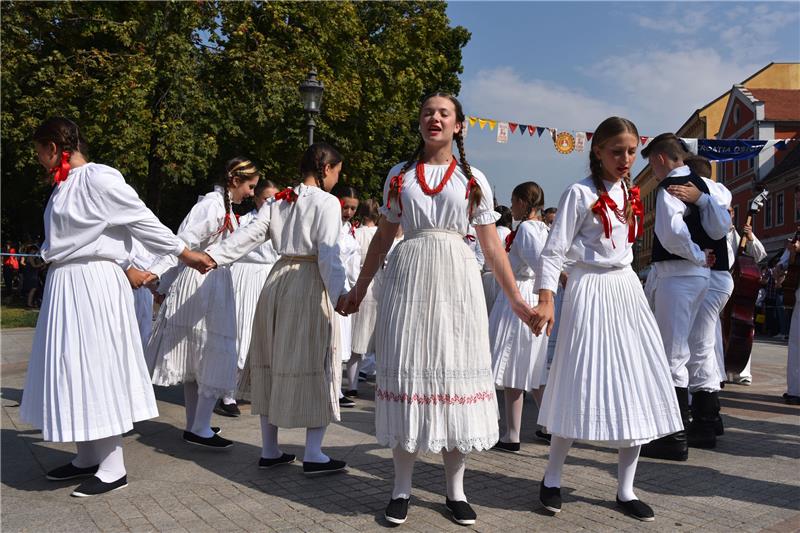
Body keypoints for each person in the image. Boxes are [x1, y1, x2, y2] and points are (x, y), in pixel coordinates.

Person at [338, 93, 534, 526]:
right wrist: (359, 288)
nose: (435, 118)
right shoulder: (400, 176)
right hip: (409, 278)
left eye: (444, 113)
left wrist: (518, 300)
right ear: (419, 122)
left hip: (457, 281)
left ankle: (455, 490)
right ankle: (401, 488)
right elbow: (382, 239)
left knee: (453, 373)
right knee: (409, 371)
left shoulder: (472, 177)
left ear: (459, 125)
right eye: (428, 112)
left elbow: (493, 247)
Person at [20, 117, 211, 497]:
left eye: (40, 150)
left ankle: (113, 465)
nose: (38, 158)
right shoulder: (63, 186)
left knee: (96, 365)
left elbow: (143, 220)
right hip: (67, 283)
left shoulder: (99, 177)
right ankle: (87, 455)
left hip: (93, 284)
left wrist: (184, 253)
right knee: (70, 366)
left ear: (54, 147)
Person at [531, 117, 682, 522]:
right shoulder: (578, 193)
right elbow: (553, 250)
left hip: (626, 288)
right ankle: (551, 478)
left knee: (637, 380)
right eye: (617, 151)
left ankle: (626, 488)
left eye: (632, 151)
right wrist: (546, 298)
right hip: (588, 288)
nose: (626, 159)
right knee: (577, 379)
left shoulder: (631, 192)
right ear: (597, 150)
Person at [203, 142, 349, 475]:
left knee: (271, 357)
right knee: (318, 359)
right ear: (326, 169)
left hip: (277, 279)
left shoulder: (278, 200)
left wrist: (215, 257)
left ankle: (270, 449)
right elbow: (328, 253)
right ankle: (313, 453)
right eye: (338, 172)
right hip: (310, 282)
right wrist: (340, 295)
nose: (338, 180)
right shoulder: (327, 203)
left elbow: (249, 235)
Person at [146, 158, 259, 449]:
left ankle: (198, 424)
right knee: (212, 352)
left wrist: (163, 281)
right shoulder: (211, 207)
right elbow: (181, 243)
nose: (250, 193)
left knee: (201, 355)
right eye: (249, 186)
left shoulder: (224, 207)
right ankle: (198, 426)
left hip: (211, 283)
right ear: (235, 180)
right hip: (203, 283)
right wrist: (159, 276)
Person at [641, 134, 731, 456]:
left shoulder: (671, 187)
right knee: (691, 349)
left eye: (652, 164)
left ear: (662, 158)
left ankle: (672, 436)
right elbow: (722, 228)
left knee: (673, 354)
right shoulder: (706, 186)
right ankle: (695, 425)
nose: (653, 172)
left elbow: (670, 233)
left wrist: (694, 253)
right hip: (699, 277)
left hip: (679, 275)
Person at [489, 181, 549, 454]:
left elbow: (539, 263)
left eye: (514, 202)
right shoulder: (542, 227)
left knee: (515, 365)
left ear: (523, 203)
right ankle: (550, 425)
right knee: (533, 369)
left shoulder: (526, 228)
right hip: (531, 293)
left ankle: (512, 434)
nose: (511, 207)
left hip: (522, 294)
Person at [216, 179, 281, 417]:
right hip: (246, 278)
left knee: (267, 337)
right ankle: (227, 393)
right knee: (241, 334)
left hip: (270, 278)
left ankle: (259, 389)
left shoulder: (283, 223)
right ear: (257, 199)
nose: (272, 203)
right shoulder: (244, 222)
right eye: (267, 198)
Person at [718, 206, 767, 386]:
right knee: (718, 328)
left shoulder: (739, 235)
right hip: (718, 283)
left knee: (740, 326)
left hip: (736, 287)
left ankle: (742, 371)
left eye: (730, 212)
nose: (728, 214)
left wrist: (751, 237)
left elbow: (760, 255)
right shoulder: (713, 230)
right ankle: (720, 367)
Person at [348, 199, 381, 398]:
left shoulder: (355, 234)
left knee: (356, 342)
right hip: (379, 285)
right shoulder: (381, 234)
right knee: (380, 341)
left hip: (360, 283)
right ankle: (382, 387)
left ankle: (352, 386)